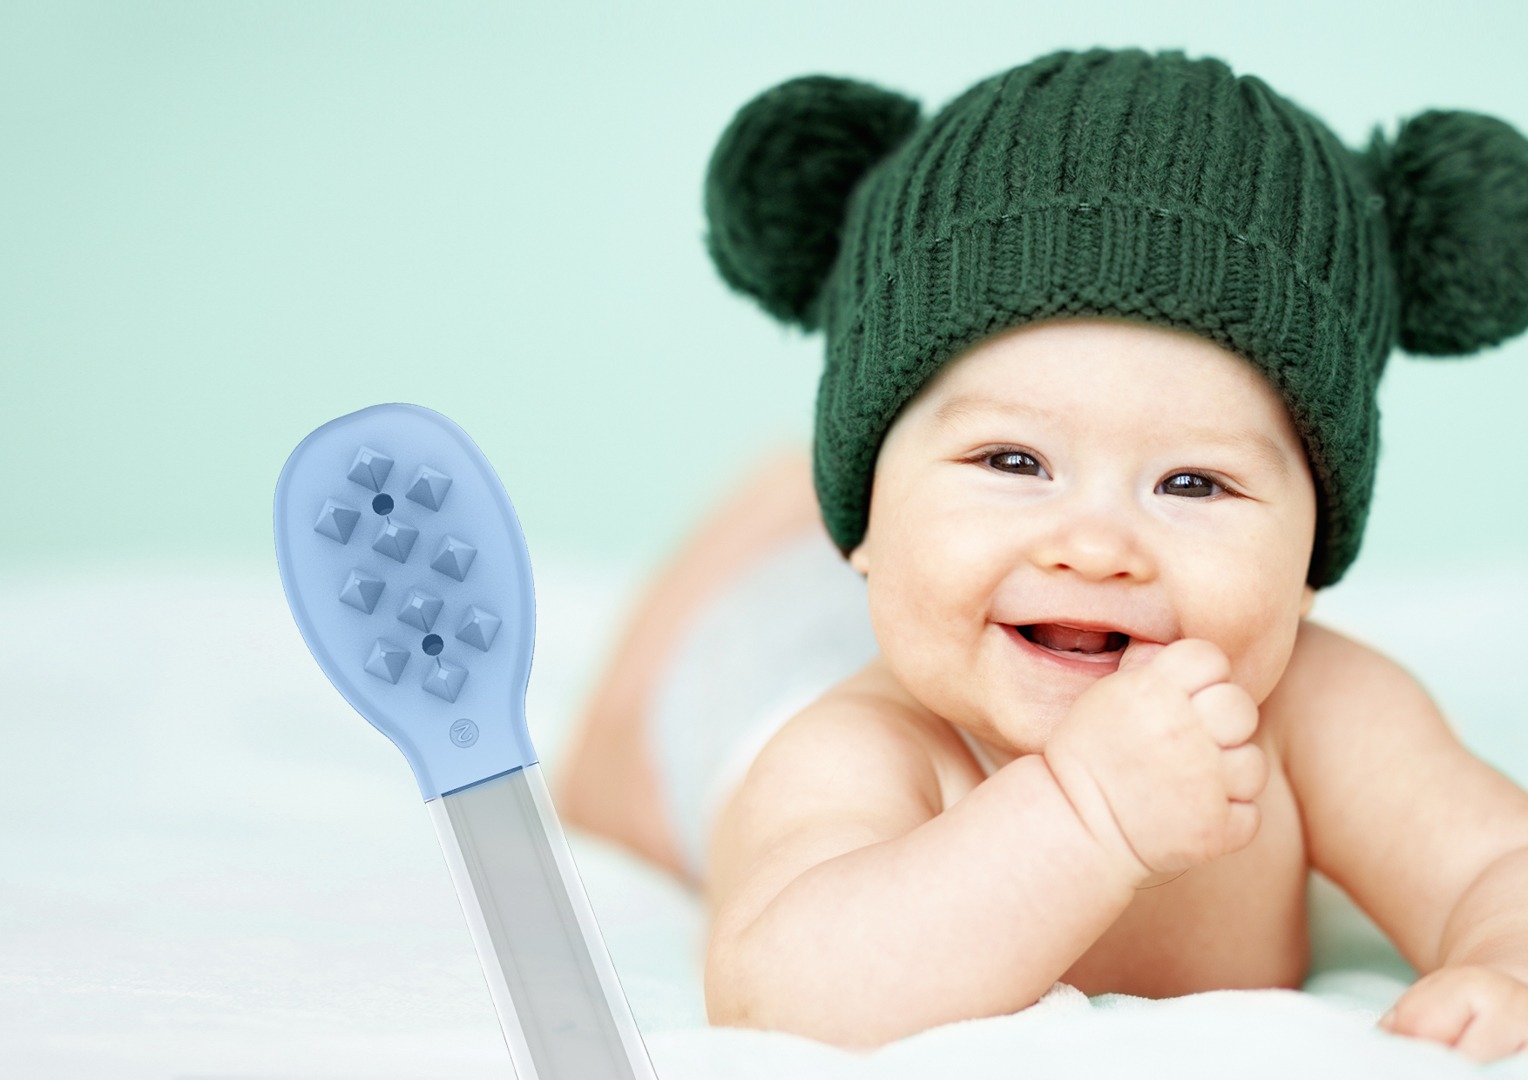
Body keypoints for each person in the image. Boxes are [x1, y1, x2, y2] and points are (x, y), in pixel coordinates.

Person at [553, 47, 1528, 1058]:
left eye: (1191, 484)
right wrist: (1085, 817)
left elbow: (1495, 857)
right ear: (869, 524)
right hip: (759, 680)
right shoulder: (860, 754)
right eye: (1011, 458)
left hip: (951, 581)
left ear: (1311, 564)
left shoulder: (1319, 714)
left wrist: (1505, 956)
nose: (1096, 546)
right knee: (650, 754)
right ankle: (777, 506)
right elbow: (779, 997)